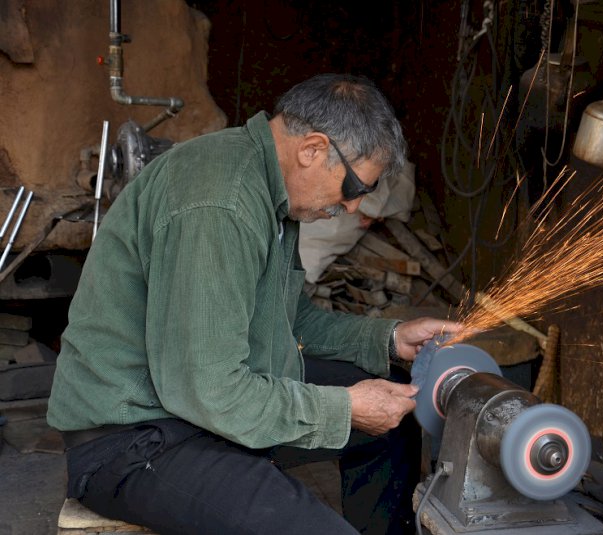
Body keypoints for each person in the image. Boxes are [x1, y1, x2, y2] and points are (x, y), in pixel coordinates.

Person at [47, 73, 462, 535]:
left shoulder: (274, 192)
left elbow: (292, 323)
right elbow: (210, 390)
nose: (350, 209)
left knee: (391, 425)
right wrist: (340, 409)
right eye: (353, 189)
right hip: (137, 437)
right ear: (313, 150)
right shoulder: (220, 204)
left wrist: (387, 338)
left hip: (203, 403)